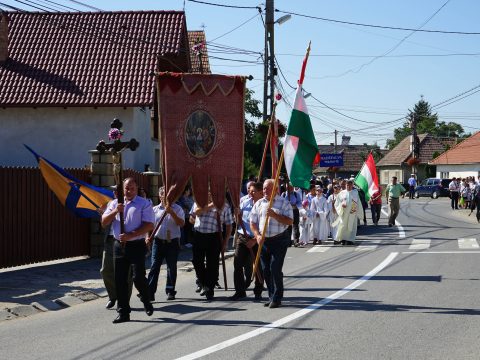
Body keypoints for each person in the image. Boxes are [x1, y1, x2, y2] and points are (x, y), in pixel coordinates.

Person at [101, 177, 155, 324]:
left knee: (138, 277)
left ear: (137, 189)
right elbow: (104, 221)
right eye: (126, 188)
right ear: (122, 189)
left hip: (136, 245)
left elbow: (149, 224)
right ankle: (123, 312)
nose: (129, 191)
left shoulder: (144, 203)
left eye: (132, 188)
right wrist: (115, 211)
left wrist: (131, 234)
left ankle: (145, 298)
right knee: (120, 280)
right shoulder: (115, 203)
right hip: (119, 245)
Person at [250, 179, 293, 309]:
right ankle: (271, 296)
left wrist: (275, 215)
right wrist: (257, 235)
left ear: (276, 189)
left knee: (275, 268)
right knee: (266, 270)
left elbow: (290, 221)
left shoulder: (284, 203)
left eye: (268, 188)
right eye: (263, 188)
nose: (265, 191)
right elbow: (252, 222)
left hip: (279, 240)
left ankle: (277, 297)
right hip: (264, 241)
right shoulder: (259, 203)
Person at [191, 193, 233, 300]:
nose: (210, 194)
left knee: (212, 263)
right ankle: (203, 283)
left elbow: (229, 225)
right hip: (199, 235)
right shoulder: (199, 201)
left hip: (214, 236)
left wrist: (225, 242)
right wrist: (211, 206)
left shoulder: (225, 206)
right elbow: (196, 212)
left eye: (212, 192)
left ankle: (210, 288)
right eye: (208, 192)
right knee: (196, 261)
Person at [146, 186, 184, 302]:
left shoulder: (177, 209)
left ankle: (170, 290)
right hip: (158, 241)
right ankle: (150, 292)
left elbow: (181, 223)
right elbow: (149, 225)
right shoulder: (154, 210)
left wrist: (171, 212)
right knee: (154, 267)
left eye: (167, 195)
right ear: (160, 196)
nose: (164, 197)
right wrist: (147, 237)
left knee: (171, 267)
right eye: (162, 195)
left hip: (172, 242)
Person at [99, 185, 133, 310]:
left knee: (126, 273)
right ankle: (113, 296)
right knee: (105, 270)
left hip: (125, 241)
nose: (114, 192)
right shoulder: (111, 204)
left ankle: (124, 300)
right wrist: (113, 211)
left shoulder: (131, 203)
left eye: (116, 190)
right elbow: (104, 223)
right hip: (110, 241)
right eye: (113, 191)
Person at [230, 182, 264, 301]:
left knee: (259, 266)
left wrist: (255, 240)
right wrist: (236, 214)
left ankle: (258, 291)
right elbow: (238, 221)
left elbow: (266, 225)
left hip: (258, 238)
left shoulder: (264, 205)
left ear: (261, 192)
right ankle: (240, 291)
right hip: (243, 236)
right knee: (237, 263)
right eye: (249, 190)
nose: (250, 192)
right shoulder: (244, 202)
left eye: (253, 191)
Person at [332, 180, 363, 245]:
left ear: (352, 186)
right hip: (344, 212)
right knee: (343, 226)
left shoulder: (355, 192)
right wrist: (341, 205)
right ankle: (342, 239)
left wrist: (359, 212)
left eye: (350, 185)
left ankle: (350, 240)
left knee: (351, 226)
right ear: (346, 185)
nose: (348, 186)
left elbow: (358, 202)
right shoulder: (342, 193)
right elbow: (337, 203)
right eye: (347, 185)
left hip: (352, 212)